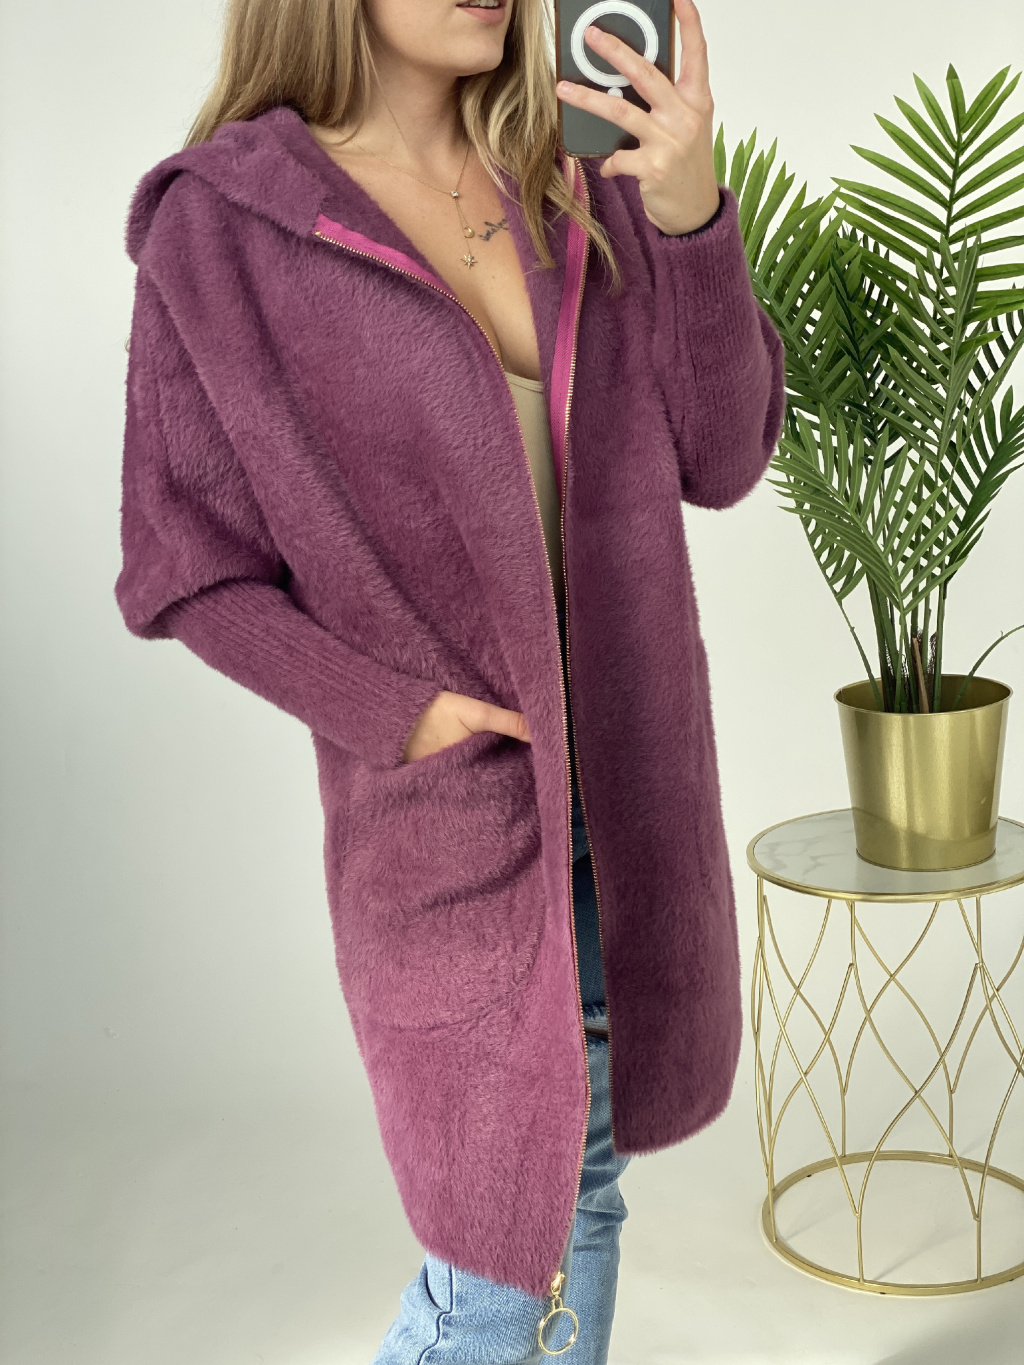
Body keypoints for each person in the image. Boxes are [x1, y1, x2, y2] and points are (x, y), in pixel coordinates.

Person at [115, 0, 786, 1356]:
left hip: (633, 807)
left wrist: (688, 211)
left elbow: (724, 457)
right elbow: (179, 565)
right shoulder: (225, 229)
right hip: (456, 828)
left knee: (574, 1203)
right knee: (505, 1261)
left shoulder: (577, 181)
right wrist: (397, 714)